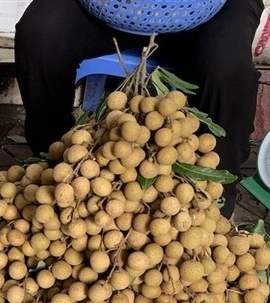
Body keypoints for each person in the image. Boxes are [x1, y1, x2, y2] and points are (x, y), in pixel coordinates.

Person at [14, 0, 265, 218]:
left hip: (211, 12)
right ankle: (54, 172)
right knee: (40, 34)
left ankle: (217, 204)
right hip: (108, 8)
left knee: (228, 70)